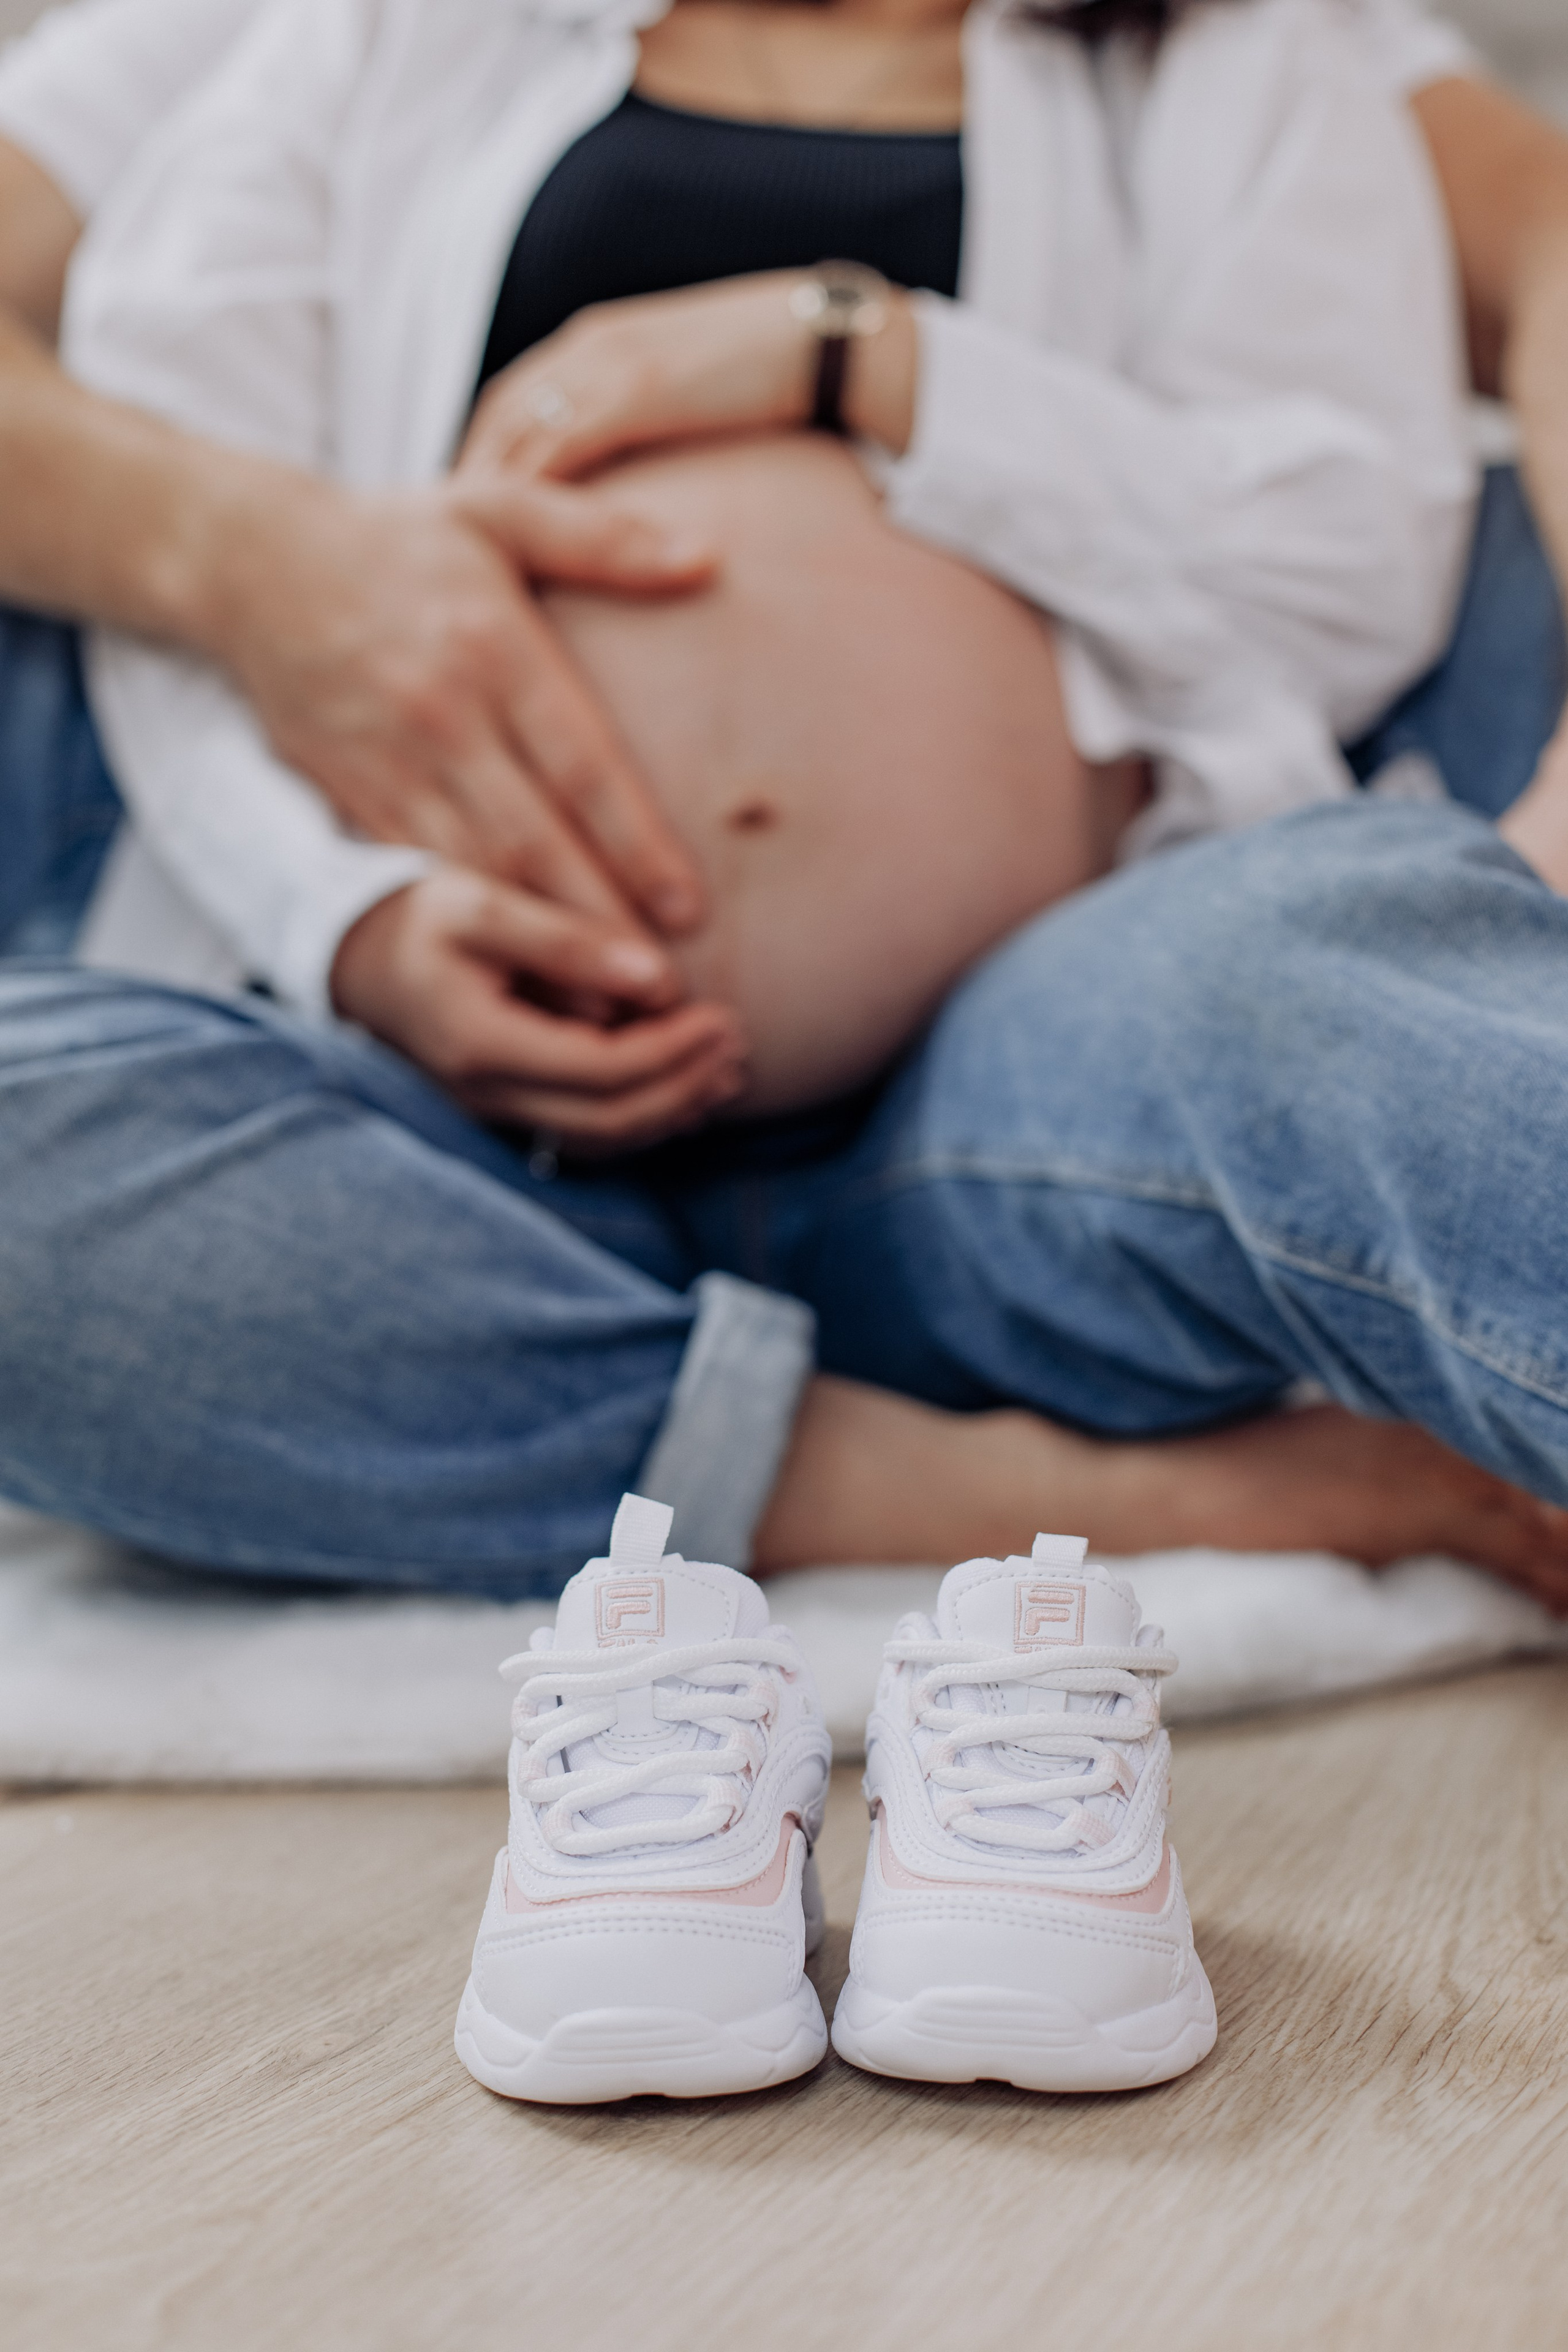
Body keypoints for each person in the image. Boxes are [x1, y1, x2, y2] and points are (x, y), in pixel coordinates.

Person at [1, 0, 1568, 1600]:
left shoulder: (1237, 58)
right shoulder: (378, 40)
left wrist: (874, 360)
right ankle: (944, 1493)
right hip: (459, 1152)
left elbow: (1345, 566)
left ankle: (645, 1463)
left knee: (1330, 961)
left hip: (1029, 1095)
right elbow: (192, 593)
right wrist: (353, 920)